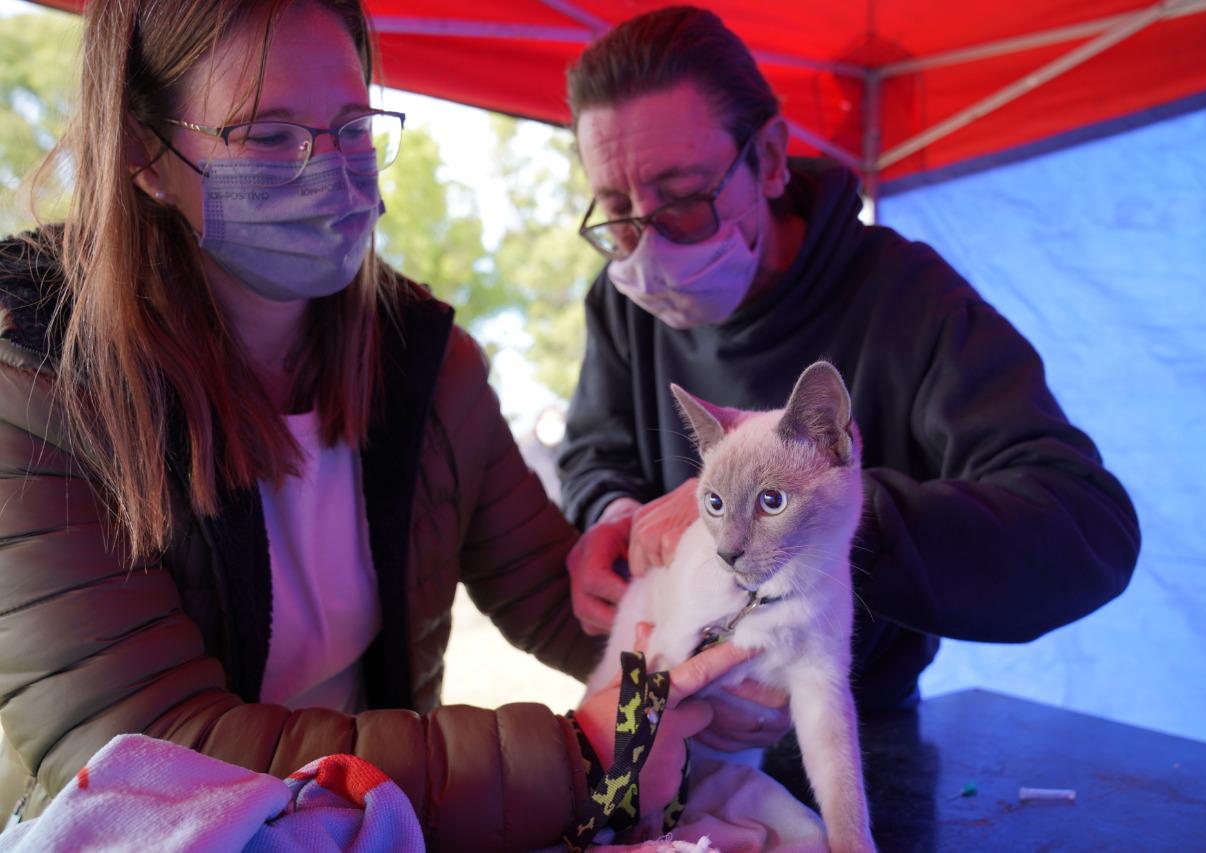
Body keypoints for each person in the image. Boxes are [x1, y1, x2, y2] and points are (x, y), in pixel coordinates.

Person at [0, 2, 758, 849]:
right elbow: (151, 751)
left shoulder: (426, 363)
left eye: (353, 125)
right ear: (144, 155)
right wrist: (582, 754)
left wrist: (701, 611)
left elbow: (559, 592)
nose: (329, 170)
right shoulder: (35, 384)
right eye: (267, 135)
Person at [558, 4, 1142, 774]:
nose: (648, 250)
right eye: (621, 216)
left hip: (857, 732)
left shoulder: (911, 303)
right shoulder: (619, 298)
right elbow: (596, 450)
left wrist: (828, 518)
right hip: (676, 727)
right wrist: (614, 516)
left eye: (683, 199)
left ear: (769, 158)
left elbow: (1087, 529)